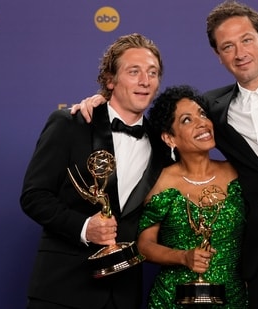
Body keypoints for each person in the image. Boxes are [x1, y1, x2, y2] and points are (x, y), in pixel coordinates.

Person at [72, 1, 258, 308]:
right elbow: (168, 128)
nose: (240, 53)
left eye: (247, 40)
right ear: (218, 55)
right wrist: (103, 102)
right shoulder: (212, 109)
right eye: (228, 46)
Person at [20, 33, 167, 309]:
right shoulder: (71, 123)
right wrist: (85, 228)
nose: (145, 81)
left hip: (123, 295)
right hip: (62, 290)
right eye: (133, 71)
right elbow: (34, 196)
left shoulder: (163, 146)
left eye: (152, 73)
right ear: (110, 80)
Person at [137, 85, 248, 308]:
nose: (202, 123)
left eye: (202, 114)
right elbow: (144, 245)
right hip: (173, 300)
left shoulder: (238, 173)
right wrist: (184, 257)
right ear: (169, 138)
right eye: (187, 120)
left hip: (232, 298)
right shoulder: (160, 183)